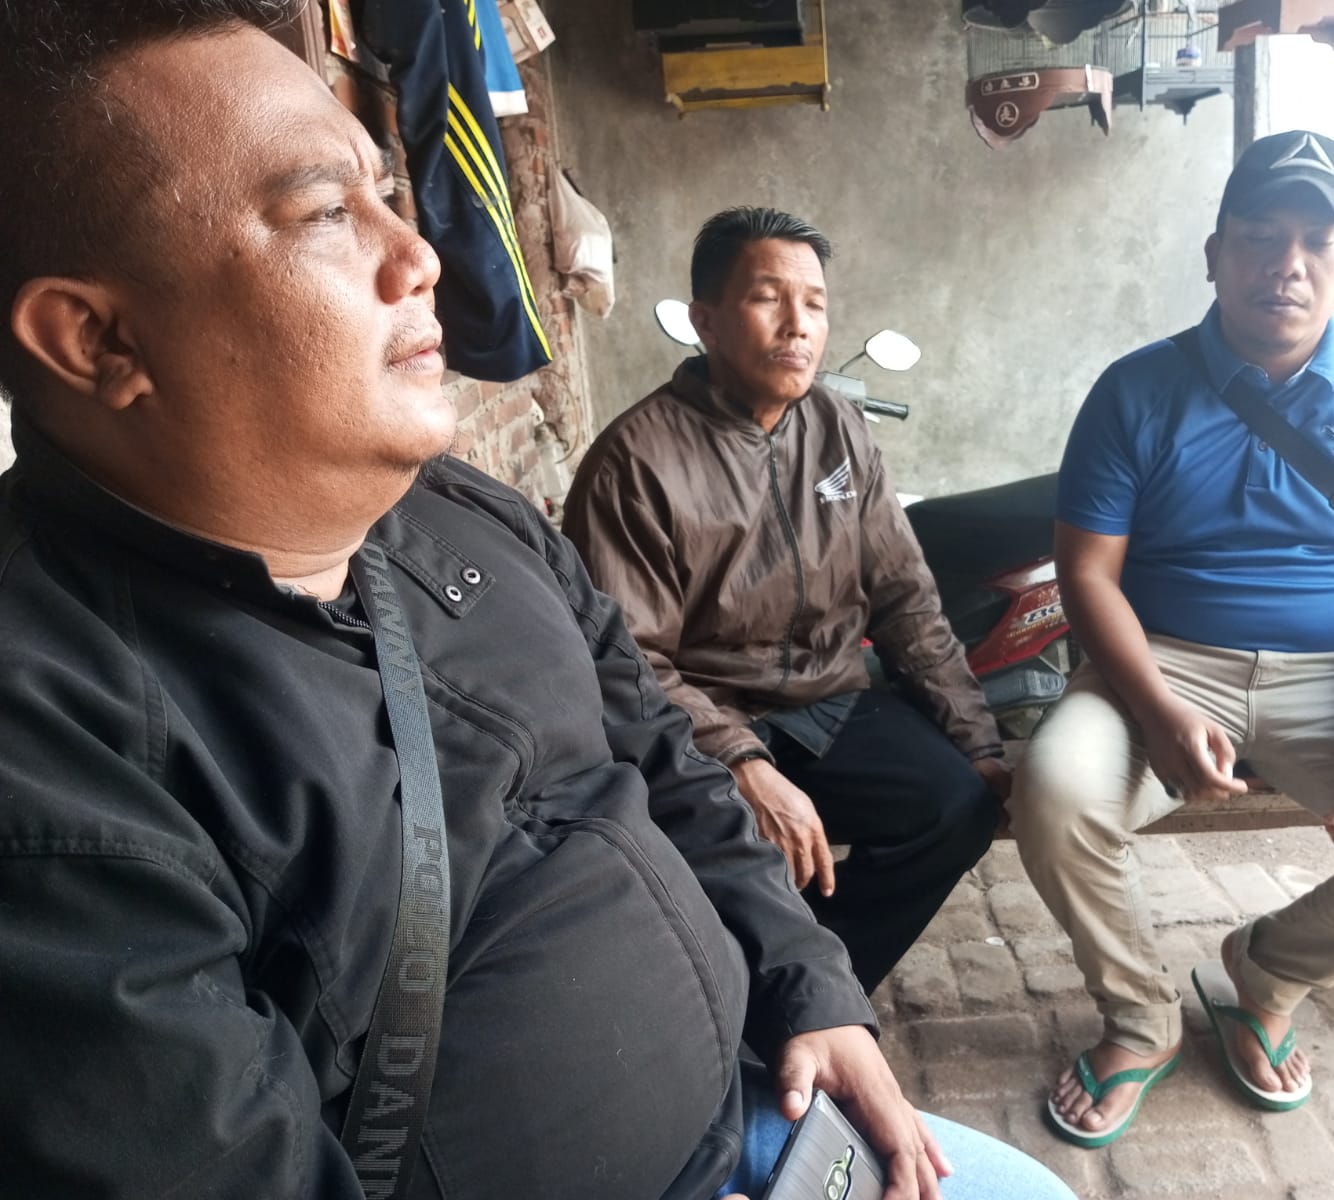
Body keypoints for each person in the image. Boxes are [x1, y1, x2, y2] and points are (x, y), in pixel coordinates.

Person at [0, 5, 1076, 1199]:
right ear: (96, 339)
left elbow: (661, 753)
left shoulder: (463, 514)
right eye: (323, 213)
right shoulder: (53, 753)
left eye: (385, 193)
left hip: (753, 1111)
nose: (419, 256)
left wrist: (810, 985)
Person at [1008, 129, 1334, 1147]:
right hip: (1161, 660)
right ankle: (1140, 1018)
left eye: (1316, 241)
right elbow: (1086, 576)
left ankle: (1267, 970)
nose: (1285, 265)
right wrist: (1158, 710)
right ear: (1214, 254)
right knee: (1054, 791)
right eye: (1258, 236)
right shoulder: (1135, 391)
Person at [563, 207, 1007, 995]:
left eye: (816, 303)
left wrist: (977, 741)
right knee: (735, 856)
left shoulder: (840, 428)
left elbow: (904, 596)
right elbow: (628, 660)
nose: (798, 324)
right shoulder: (634, 461)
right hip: (705, 716)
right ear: (705, 320)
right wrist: (741, 761)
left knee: (958, 806)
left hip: (829, 702)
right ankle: (750, 990)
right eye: (768, 297)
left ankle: (814, 987)